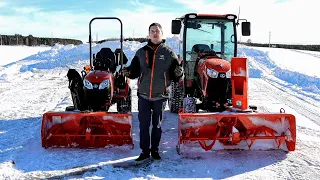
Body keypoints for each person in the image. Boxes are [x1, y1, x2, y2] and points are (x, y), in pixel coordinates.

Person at [123, 22, 183, 162]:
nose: (155, 33)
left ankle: (155, 150)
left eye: (157, 31)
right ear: (149, 34)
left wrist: (179, 73)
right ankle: (144, 151)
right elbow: (134, 72)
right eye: (152, 31)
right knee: (144, 125)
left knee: (157, 125)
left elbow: (177, 76)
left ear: (162, 34)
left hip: (160, 96)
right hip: (143, 95)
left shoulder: (169, 53)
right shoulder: (141, 52)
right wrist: (129, 72)